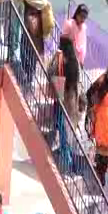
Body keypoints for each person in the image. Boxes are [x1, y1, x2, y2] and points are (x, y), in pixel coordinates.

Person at [13, 0, 55, 85]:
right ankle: (31, 75)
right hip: (40, 21)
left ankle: (27, 73)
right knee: (35, 47)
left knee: (25, 46)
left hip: (30, 20)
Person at [48, 35, 79, 169]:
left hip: (61, 95)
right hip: (71, 98)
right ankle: (68, 158)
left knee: (61, 125)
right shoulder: (74, 60)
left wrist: (55, 56)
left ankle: (66, 158)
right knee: (67, 127)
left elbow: (49, 71)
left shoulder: (60, 58)